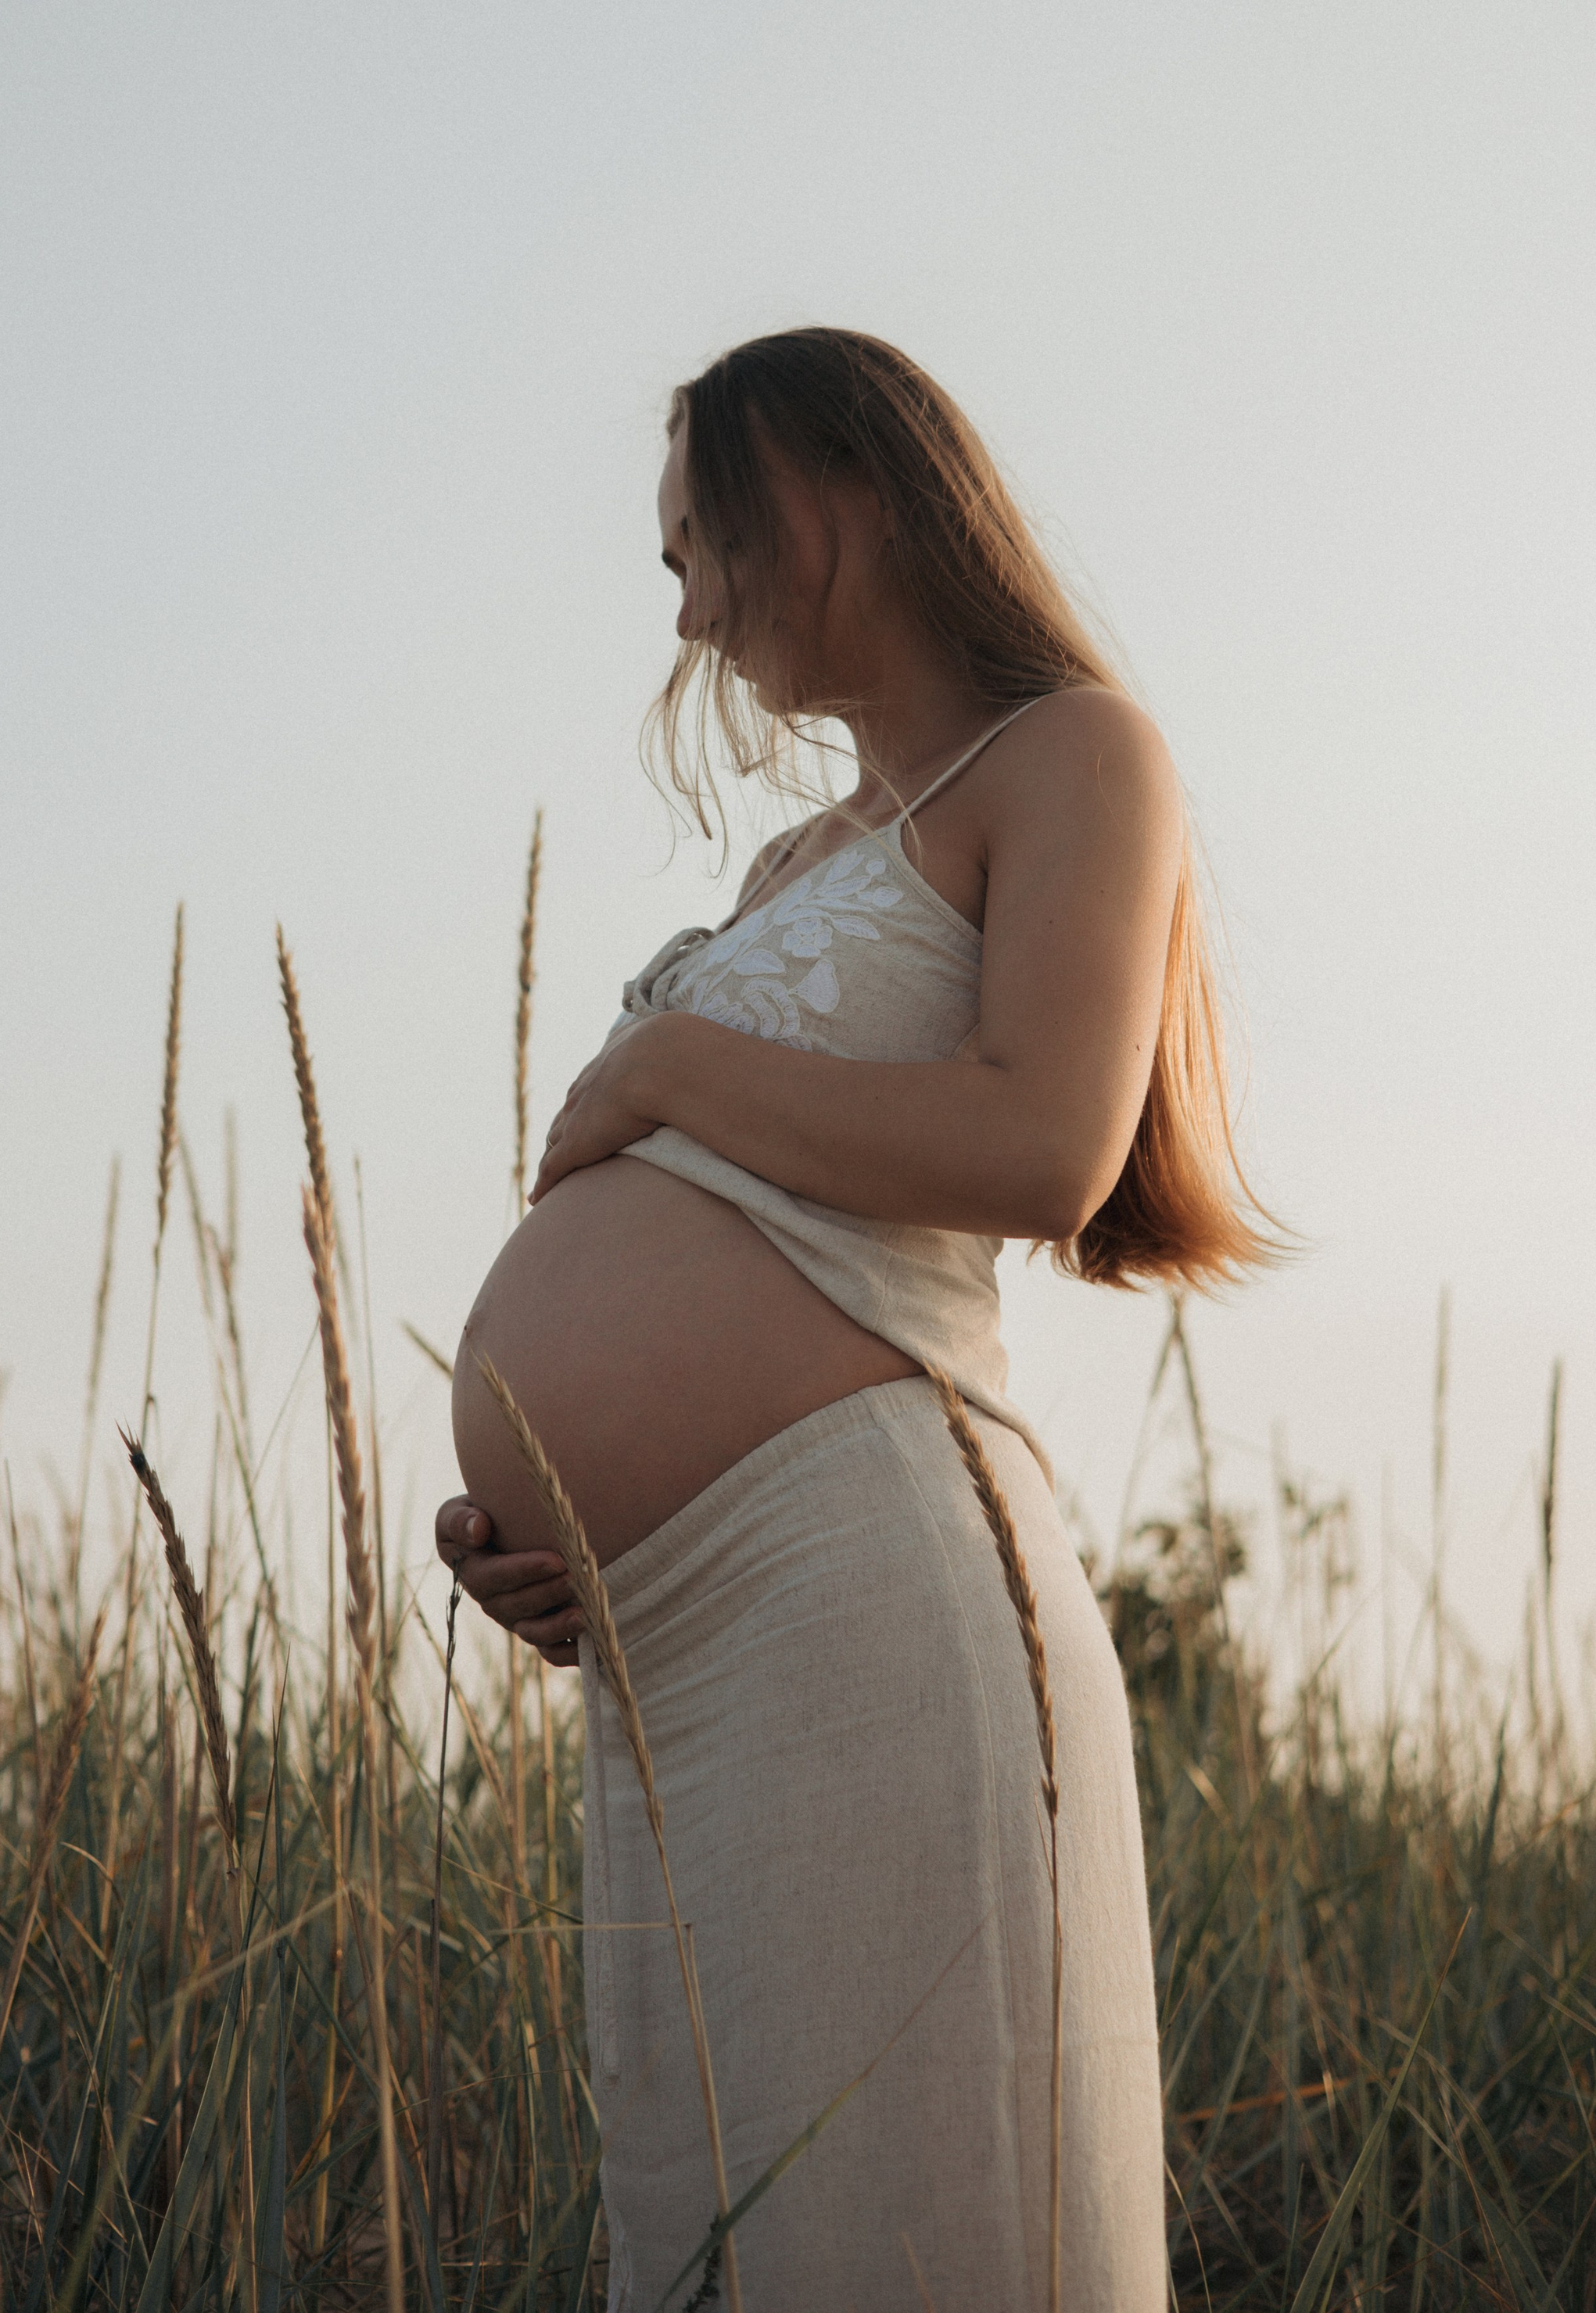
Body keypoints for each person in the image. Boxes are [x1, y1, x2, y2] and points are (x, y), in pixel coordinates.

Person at [435, 328, 1275, 2312]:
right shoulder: (792, 861)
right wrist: (537, 1520)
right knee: (725, 2227)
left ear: (831, 488)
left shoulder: (1074, 753)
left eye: (696, 542)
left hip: (865, 1581)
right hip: (671, 1645)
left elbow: (1043, 1146)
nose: (684, 602)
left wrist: (654, 1081)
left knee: (906, 2218)